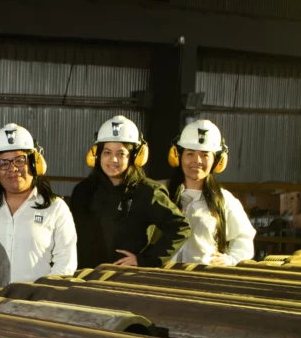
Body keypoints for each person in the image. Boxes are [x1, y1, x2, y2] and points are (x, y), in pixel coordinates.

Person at [0, 124, 76, 293]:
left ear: (34, 163)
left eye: (20, 160)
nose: (13, 169)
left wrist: (45, 297)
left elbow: (66, 261)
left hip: (35, 308)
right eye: (4, 163)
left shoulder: (55, 208)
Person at [70, 115, 190, 269]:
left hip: (127, 279)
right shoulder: (83, 191)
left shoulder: (147, 192)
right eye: (107, 152)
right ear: (97, 155)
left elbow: (180, 227)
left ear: (135, 157)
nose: (113, 160)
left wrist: (145, 259)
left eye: (121, 153)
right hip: (86, 276)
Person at [167, 119, 255, 265]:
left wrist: (231, 258)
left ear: (217, 160)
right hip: (163, 276)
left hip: (203, 278)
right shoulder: (162, 193)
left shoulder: (224, 200)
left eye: (205, 155)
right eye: (190, 154)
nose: (197, 160)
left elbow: (244, 237)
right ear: (178, 156)